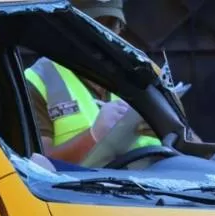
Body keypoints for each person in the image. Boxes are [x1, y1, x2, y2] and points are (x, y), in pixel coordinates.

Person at [24, 0, 163, 165]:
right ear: (68, 28)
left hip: (151, 185)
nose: (103, 35)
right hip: (76, 189)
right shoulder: (39, 79)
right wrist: (93, 136)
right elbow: (37, 168)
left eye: (111, 24)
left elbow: (187, 140)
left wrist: (162, 128)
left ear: (121, 28)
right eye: (92, 25)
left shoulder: (143, 73)